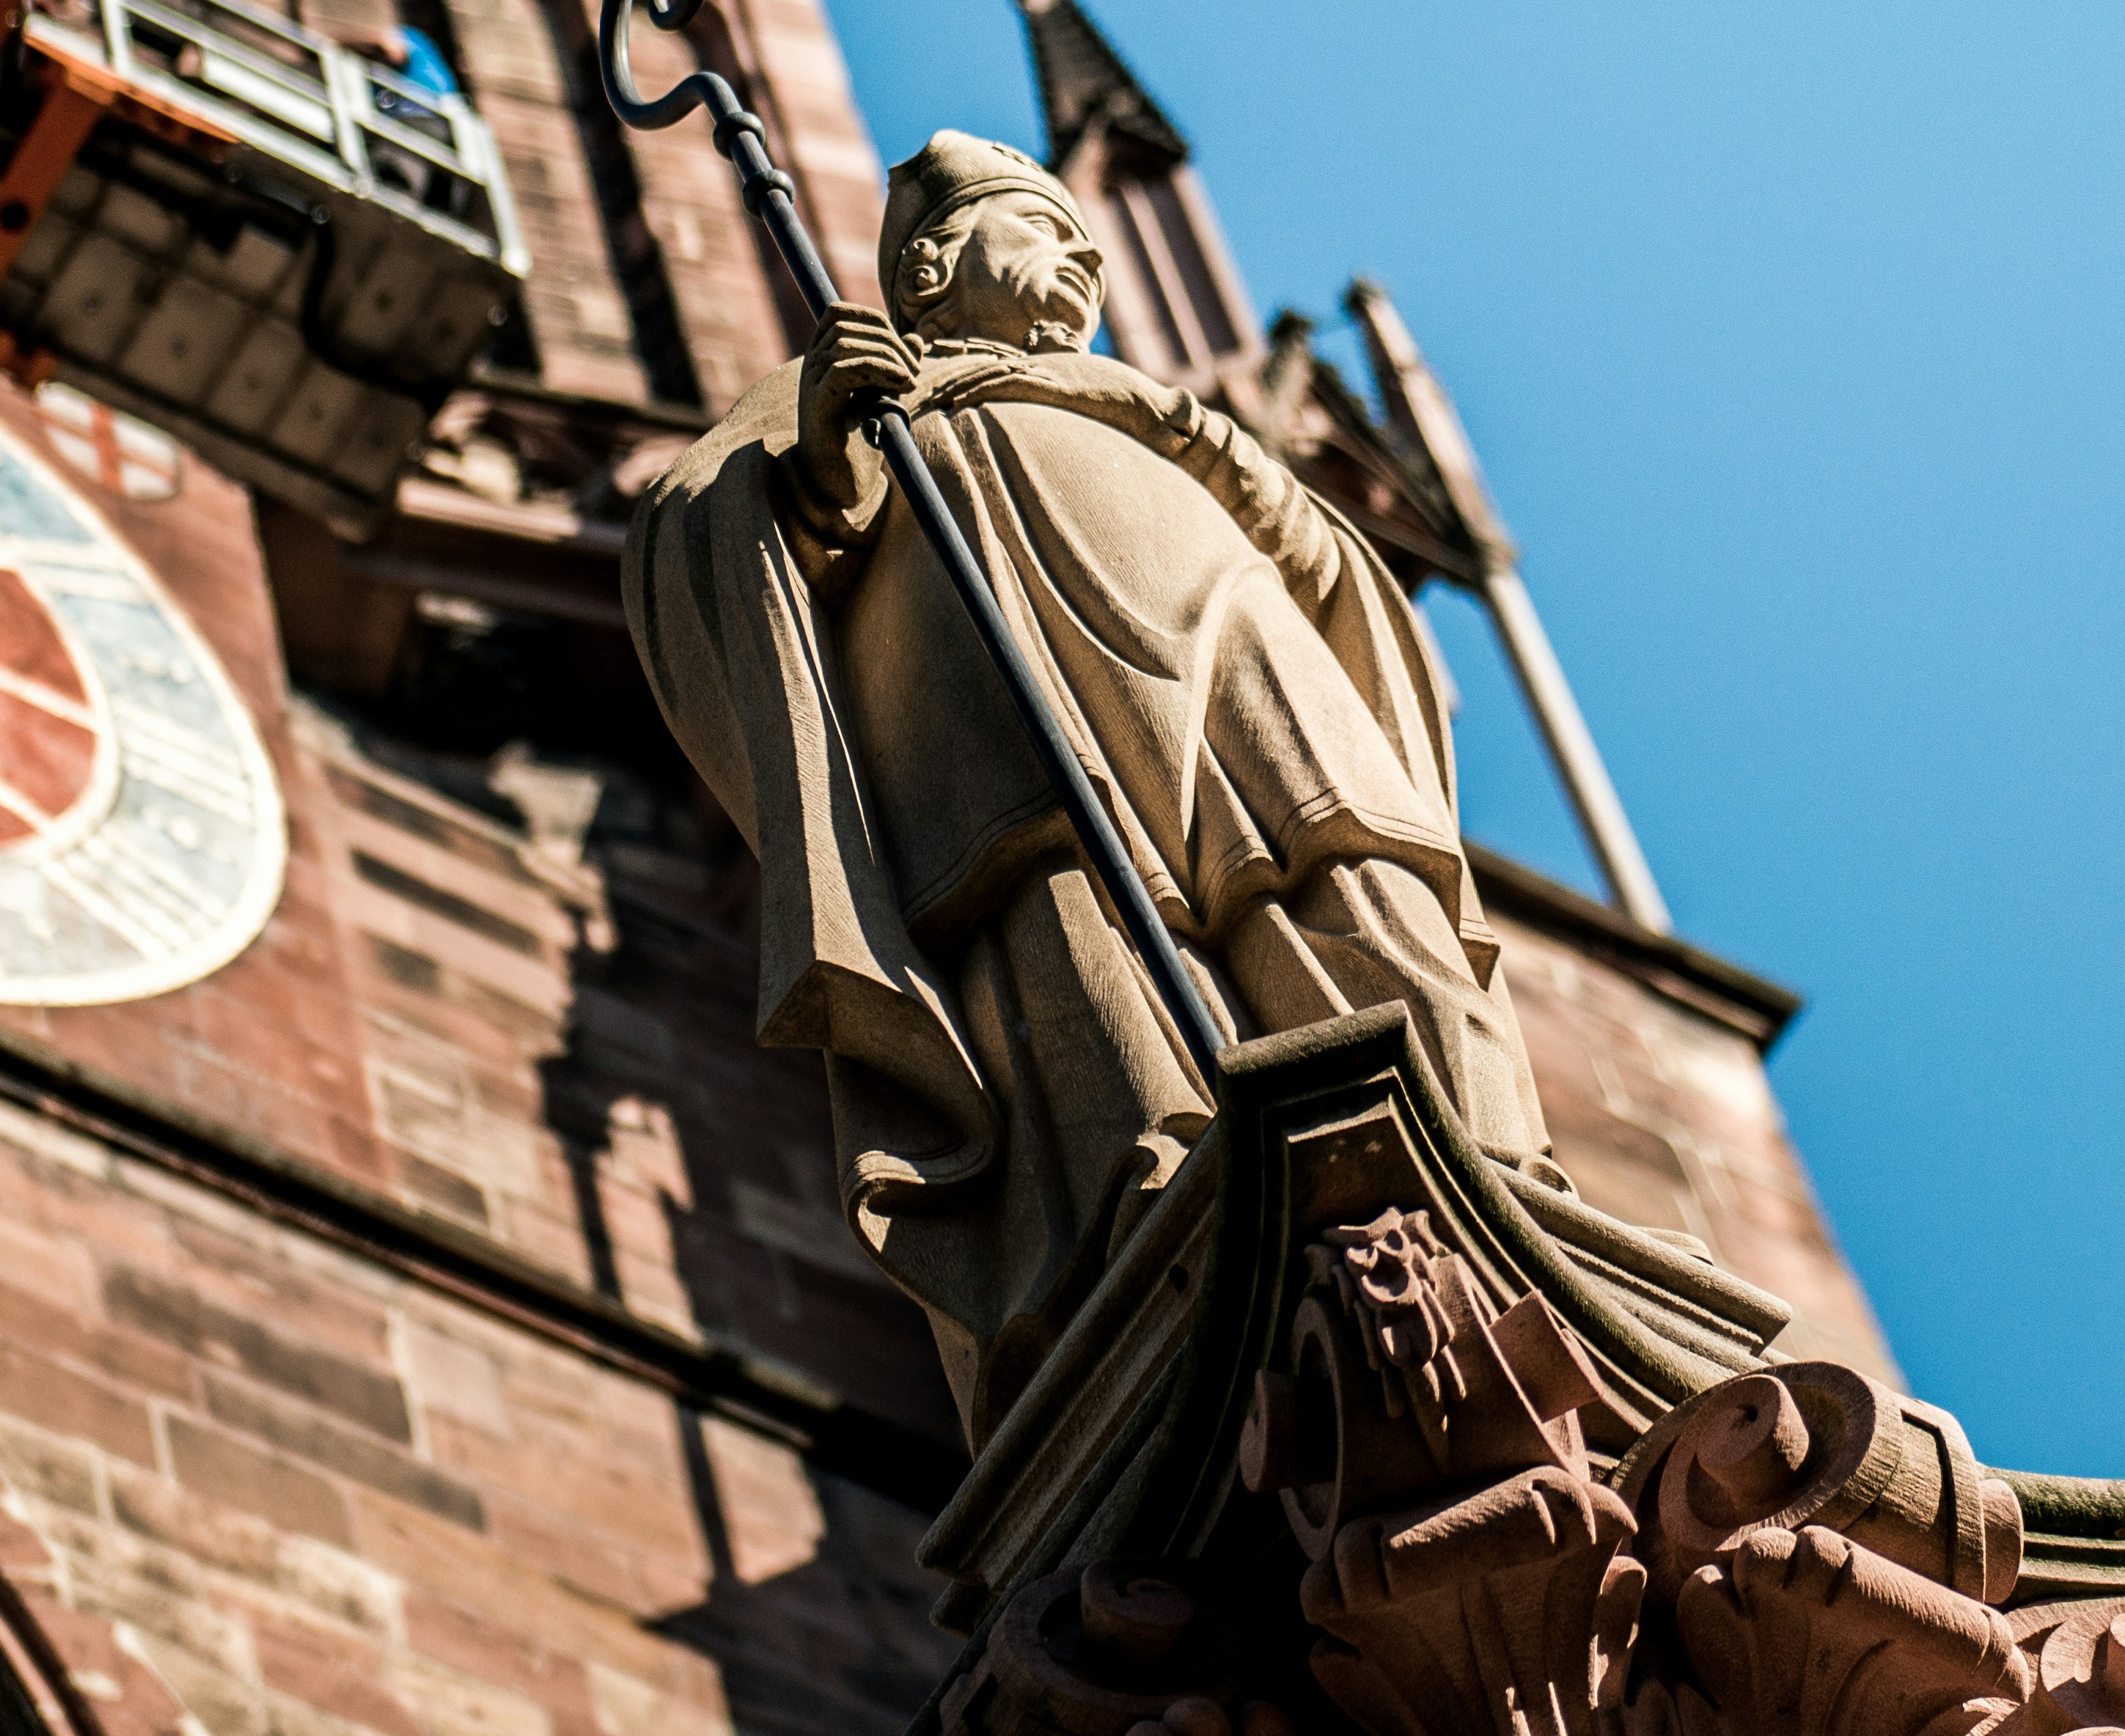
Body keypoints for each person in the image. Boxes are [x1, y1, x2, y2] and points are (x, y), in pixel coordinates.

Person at [626, 133, 1582, 1425]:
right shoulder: (865, 387)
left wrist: (1218, 452)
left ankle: (1490, 1168)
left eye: (1088, 234)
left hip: (1241, 665)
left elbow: (1339, 576)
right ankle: (1161, 1209)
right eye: (1039, 225)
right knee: (1078, 921)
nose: (1082, 254)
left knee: (1355, 879)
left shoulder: (1157, 411)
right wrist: (818, 461)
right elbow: (694, 543)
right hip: (1025, 734)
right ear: (929, 265)